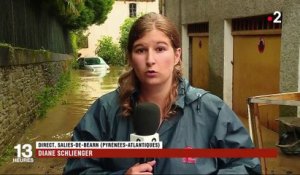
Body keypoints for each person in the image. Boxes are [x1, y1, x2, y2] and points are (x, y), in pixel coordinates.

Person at [63, 12, 261, 174]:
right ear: (130, 58)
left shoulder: (211, 110)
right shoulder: (105, 111)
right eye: (140, 50)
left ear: (176, 55)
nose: (150, 59)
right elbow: (76, 169)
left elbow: (249, 165)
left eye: (160, 49)